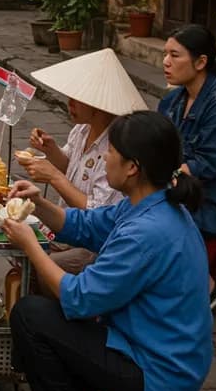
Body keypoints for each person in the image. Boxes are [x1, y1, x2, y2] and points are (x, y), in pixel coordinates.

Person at [3, 111, 213, 391]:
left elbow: (79, 298)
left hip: (155, 371)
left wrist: (31, 246)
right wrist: (38, 204)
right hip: (147, 347)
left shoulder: (147, 232)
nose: (104, 159)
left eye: (111, 152)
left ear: (132, 168)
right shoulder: (149, 202)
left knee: (31, 315)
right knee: (50, 321)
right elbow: (87, 225)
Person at [22, 49, 149, 274]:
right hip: (69, 224)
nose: (70, 104)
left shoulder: (117, 146)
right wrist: (50, 150)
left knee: (37, 264)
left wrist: (53, 176)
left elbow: (94, 214)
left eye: (77, 100)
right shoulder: (81, 130)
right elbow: (72, 166)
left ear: (97, 104)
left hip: (94, 240)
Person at [158, 24, 216, 308]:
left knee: (151, 215)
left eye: (175, 55)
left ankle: (208, 287)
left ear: (201, 62)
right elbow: (159, 143)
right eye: (165, 54)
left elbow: (205, 165)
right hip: (183, 191)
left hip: (215, 204)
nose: (165, 62)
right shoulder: (174, 99)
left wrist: (156, 178)